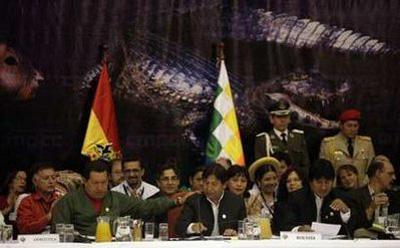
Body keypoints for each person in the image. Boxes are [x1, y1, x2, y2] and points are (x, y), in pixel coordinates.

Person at [52, 160, 187, 236]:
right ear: (85, 182)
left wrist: (176, 201)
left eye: (104, 182)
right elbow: (58, 231)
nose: (100, 187)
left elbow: (146, 206)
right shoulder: (67, 202)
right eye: (95, 183)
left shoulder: (116, 198)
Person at [279, 159, 353, 235]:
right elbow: (285, 224)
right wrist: (299, 229)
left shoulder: (341, 197)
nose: (323, 187)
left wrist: (346, 212)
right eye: (319, 182)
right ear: (310, 183)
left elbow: (355, 227)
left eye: (327, 182)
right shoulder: (297, 198)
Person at [175, 164, 246, 237]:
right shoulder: (194, 200)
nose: (209, 188)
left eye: (214, 184)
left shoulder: (236, 202)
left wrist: (235, 232)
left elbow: (244, 228)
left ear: (224, 185)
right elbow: (179, 227)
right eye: (206, 183)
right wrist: (192, 227)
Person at [254, 99, 310, 177]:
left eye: (285, 116)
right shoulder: (263, 140)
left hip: (295, 182)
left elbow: (305, 165)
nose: (283, 120)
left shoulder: (298, 137)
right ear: (271, 119)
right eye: (279, 117)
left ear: (289, 118)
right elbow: (260, 168)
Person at [320, 109, 375, 184]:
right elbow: (325, 171)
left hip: (361, 189)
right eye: (349, 126)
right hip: (338, 190)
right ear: (341, 126)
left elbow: (371, 169)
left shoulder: (366, 143)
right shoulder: (328, 144)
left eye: (355, 126)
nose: (352, 129)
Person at [349, 158, 397, 230]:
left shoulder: (395, 197)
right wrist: (371, 208)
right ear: (378, 173)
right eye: (390, 174)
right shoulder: (355, 196)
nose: (394, 177)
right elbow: (353, 227)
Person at [17, 163, 59, 234]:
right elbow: (23, 229)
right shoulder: (27, 202)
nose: (51, 182)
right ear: (35, 181)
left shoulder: (61, 199)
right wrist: (48, 217)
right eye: (46, 178)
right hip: (34, 243)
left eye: (53, 178)